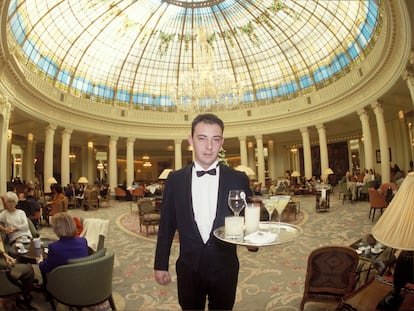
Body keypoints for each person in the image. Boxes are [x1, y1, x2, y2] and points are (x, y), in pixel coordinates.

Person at [154, 113, 253, 310]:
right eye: (202, 138)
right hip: (189, 268)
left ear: (222, 142)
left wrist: (253, 239)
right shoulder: (175, 180)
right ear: (190, 140)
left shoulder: (238, 178)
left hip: (225, 268)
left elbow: (251, 215)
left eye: (215, 139)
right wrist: (160, 264)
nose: (209, 146)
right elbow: (166, 225)